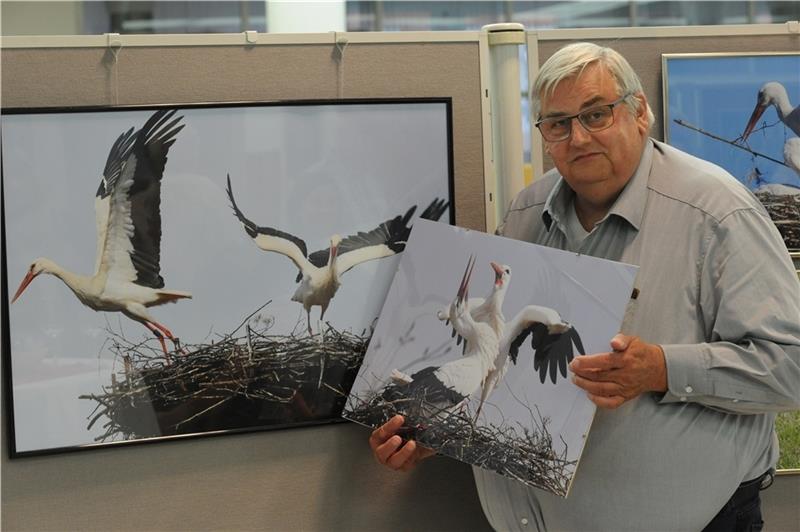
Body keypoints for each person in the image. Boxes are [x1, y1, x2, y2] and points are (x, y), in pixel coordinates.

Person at [369, 42, 800, 531]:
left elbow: (791, 366)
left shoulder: (718, 214)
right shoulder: (526, 212)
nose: (577, 138)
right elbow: (509, 373)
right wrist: (436, 430)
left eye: (596, 114)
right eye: (557, 123)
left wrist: (661, 368)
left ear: (640, 113)